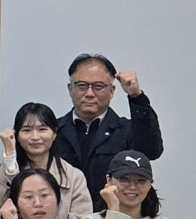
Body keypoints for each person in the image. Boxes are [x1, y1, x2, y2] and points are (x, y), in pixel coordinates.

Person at [54, 53, 164, 204]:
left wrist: (136, 96)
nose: (89, 93)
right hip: (61, 215)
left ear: (112, 91)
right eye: (82, 86)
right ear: (70, 88)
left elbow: (151, 151)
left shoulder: (126, 130)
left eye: (98, 86)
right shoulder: (52, 131)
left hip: (112, 213)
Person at [0, 102, 93, 219]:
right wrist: (9, 156)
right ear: (17, 135)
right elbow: (0, 201)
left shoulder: (74, 176)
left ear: (54, 133)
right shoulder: (6, 170)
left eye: (42, 129)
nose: (35, 137)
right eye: (27, 130)